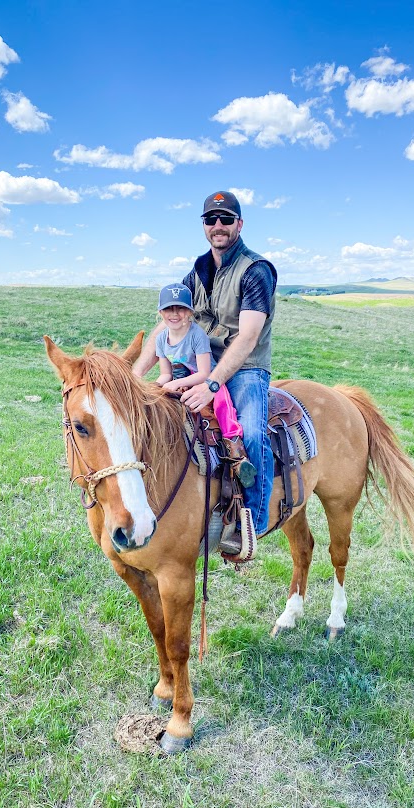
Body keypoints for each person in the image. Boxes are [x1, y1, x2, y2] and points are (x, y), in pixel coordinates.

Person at [134, 190, 277, 544]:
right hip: (197, 363)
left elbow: (247, 337)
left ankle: (252, 524)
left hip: (244, 368)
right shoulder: (196, 272)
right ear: (204, 225)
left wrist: (211, 384)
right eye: (211, 219)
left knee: (252, 434)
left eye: (226, 219)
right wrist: (134, 377)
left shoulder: (255, 271)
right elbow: (169, 324)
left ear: (239, 225)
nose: (218, 225)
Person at [154, 282, 256, 488]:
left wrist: (175, 383)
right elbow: (165, 374)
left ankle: (236, 451)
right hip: (178, 380)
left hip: (204, 379)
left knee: (222, 402)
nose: (174, 314)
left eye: (180, 308)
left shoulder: (196, 335)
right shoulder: (161, 339)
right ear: (160, 312)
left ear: (190, 312)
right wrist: (153, 388)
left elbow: (204, 373)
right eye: (168, 308)